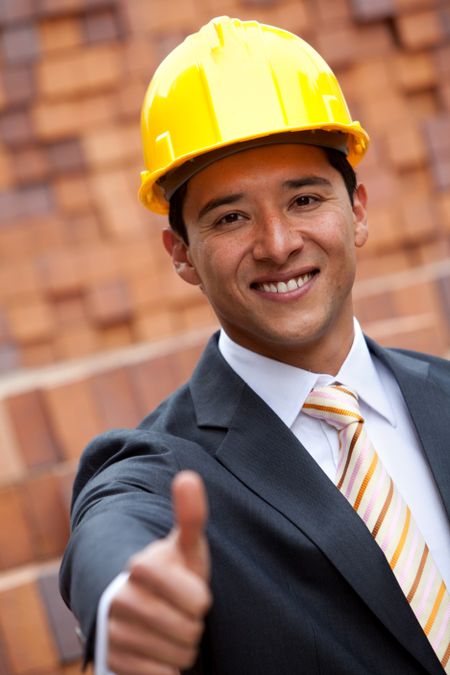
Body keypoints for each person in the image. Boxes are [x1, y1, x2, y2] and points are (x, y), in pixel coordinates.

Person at [60, 16, 450, 675]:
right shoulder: (158, 465)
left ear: (356, 210)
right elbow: (115, 527)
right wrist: (123, 606)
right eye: (231, 216)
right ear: (181, 253)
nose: (277, 243)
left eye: (303, 198)